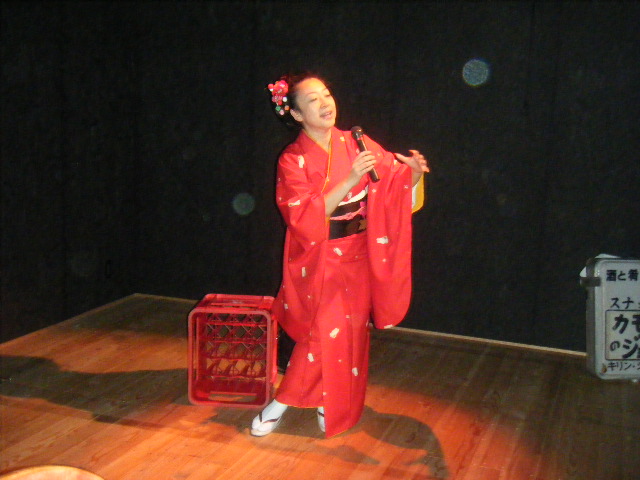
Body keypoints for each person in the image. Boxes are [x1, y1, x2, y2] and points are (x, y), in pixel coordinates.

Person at [251, 72, 429, 438]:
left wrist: (412, 175)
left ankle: (327, 401)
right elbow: (302, 216)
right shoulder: (292, 160)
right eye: (312, 100)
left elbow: (391, 186)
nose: (324, 103)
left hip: (360, 253)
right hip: (321, 257)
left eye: (326, 95)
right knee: (322, 332)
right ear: (297, 114)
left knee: (350, 334)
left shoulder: (357, 142)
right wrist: (349, 180)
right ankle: (282, 402)